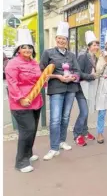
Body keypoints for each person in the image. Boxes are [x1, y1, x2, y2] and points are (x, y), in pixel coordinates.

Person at [40, 22, 81, 160]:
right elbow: (42, 72)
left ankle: (62, 141)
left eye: (64, 39)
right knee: (55, 119)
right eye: (59, 38)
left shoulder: (71, 55)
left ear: (67, 41)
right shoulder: (48, 53)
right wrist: (58, 76)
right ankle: (53, 147)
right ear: (56, 39)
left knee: (65, 117)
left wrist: (72, 77)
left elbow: (77, 71)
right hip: (56, 89)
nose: (61, 41)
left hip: (70, 89)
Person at [5, 29, 43, 172]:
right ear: (18, 49)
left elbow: (39, 80)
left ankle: (28, 153)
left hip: (36, 102)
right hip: (20, 104)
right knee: (27, 130)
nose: (27, 49)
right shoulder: (13, 64)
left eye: (29, 47)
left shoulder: (34, 63)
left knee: (32, 130)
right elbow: (12, 83)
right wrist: (20, 99)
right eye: (24, 47)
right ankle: (20, 162)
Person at [73, 31, 99, 147]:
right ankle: (77, 134)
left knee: (87, 110)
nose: (96, 47)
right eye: (94, 45)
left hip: (90, 87)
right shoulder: (83, 57)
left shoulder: (96, 58)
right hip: (81, 89)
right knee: (84, 111)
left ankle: (85, 131)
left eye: (97, 45)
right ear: (89, 47)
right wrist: (91, 76)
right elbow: (78, 73)